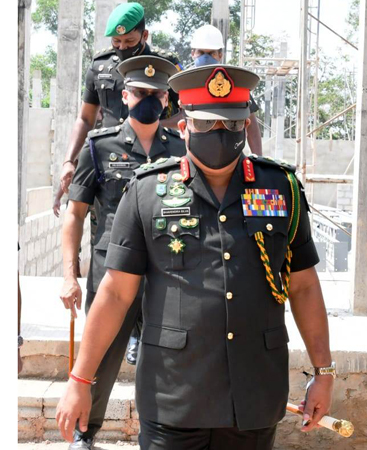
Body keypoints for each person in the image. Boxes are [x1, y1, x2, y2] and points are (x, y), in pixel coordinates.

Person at [55, 64, 334, 450]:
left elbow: (303, 286)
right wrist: (80, 380)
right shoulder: (146, 192)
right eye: (207, 124)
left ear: (246, 125)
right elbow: (116, 294)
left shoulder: (281, 189)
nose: (220, 134)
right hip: (173, 399)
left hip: (253, 398)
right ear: (184, 125)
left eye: (232, 125)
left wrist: (324, 372)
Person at [59, 55, 184, 450]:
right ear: (125, 96)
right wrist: (69, 274)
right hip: (112, 270)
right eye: (141, 93)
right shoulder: (99, 146)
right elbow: (74, 214)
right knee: (100, 357)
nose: (149, 99)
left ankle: (163, 434)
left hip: (167, 270)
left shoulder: (182, 149)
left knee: (169, 360)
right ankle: (85, 433)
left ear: (167, 100)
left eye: (157, 94)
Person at [53, 2, 183, 217]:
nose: (123, 47)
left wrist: (153, 126)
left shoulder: (166, 65)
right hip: (109, 163)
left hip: (157, 158)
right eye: (117, 41)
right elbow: (86, 119)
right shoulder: (100, 66)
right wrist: (69, 161)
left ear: (145, 35)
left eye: (130, 41)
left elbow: (187, 112)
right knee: (104, 233)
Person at [189, 24, 264, 156]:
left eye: (211, 53)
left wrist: (258, 158)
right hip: (195, 151)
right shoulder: (185, 83)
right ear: (193, 53)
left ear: (220, 55)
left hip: (229, 150)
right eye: (201, 52)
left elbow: (251, 122)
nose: (206, 58)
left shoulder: (235, 82)